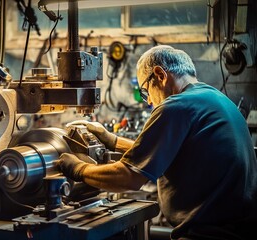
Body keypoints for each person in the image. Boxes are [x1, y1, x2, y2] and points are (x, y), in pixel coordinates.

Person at [57, 45, 257, 240]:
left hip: (207, 234)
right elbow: (171, 152)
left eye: (145, 91)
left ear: (160, 75)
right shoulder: (213, 98)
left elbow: (129, 178)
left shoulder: (176, 106)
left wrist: (77, 169)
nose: (149, 101)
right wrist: (113, 141)